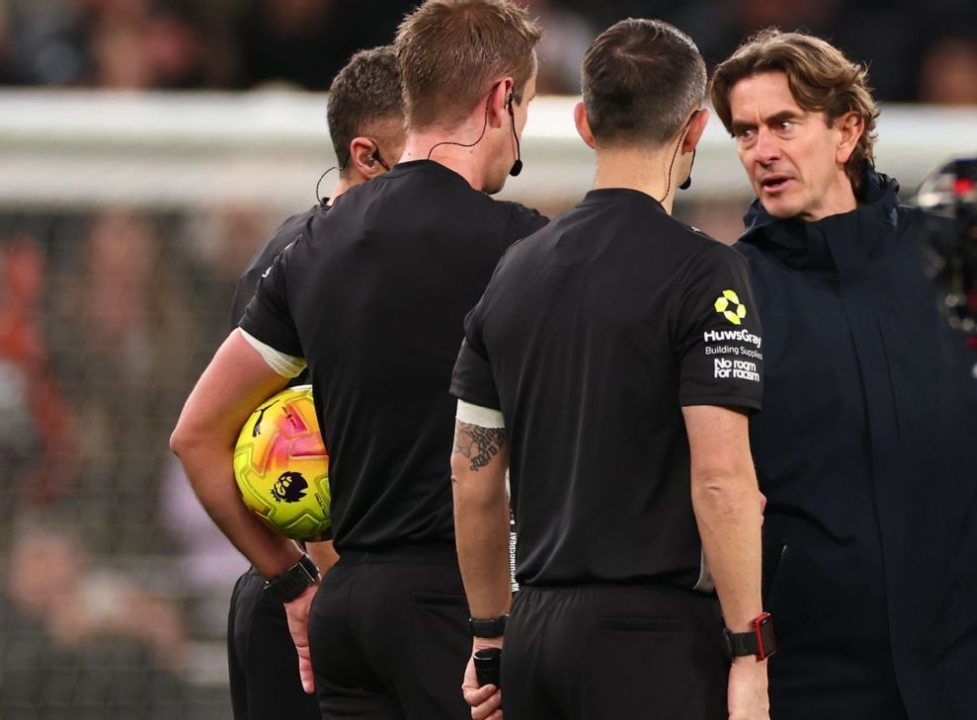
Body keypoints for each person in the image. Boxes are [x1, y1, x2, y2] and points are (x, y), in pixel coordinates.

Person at [168, 1, 547, 718]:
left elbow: (194, 436)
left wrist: (293, 584)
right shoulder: (520, 247)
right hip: (453, 607)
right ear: (501, 100)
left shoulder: (307, 249)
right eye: (523, 108)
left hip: (344, 614)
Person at [449, 18, 771, 720]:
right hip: (653, 643)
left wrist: (490, 637)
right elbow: (721, 479)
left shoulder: (514, 271)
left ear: (585, 123)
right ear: (693, 131)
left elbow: (472, 479)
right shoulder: (706, 272)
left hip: (536, 634)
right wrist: (750, 652)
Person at [707, 29, 977, 720]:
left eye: (783, 123)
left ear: (847, 131)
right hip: (811, 672)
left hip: (961, 658)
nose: (762, 150)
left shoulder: (945, 260)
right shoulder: (732, 290)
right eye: (746, 132)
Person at [221, 44, 404, 720]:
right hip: (309, 600)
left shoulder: (345, 257)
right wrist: (323, 580)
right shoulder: (299, 264)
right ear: (366, 154)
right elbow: (277, 447)